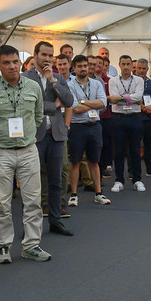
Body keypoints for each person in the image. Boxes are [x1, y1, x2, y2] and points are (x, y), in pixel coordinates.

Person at [0, 45, 49, 263]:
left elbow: (38, 116)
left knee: (33, 201)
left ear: (20, 62)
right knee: (2, 203)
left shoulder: (33, 87)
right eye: (6, 63)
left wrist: (27, 135)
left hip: (28, 150)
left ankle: (31, 245)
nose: (12, 66)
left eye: (15, 61)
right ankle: (3, 246)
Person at [23, 41, 74, 236]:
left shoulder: (58, 77)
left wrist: (52, 80)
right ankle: (30, 225)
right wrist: (54, 105)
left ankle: (55, 220)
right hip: (35, 136)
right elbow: (28, 105)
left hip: (56, 135)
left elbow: (69, 101)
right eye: (44, 55)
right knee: (32, 183)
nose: (47, 59)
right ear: (35, 55)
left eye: (50, 56)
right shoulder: (25, 78)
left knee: (56, 181)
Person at [65, 55, 110, 206]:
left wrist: (83, 101)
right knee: (75, 162)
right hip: (77, 127)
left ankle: (98, 193)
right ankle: (73, 195)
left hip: (94, 125)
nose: (83, 68)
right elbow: (75, 108)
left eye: (85, 65)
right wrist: (92, 104)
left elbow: (103, 103)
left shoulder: (97, 83)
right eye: (80, 66)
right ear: (74, 68)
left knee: (94, 161)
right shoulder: (70, 85)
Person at [108, 55, 147, 192]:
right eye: (123, 64)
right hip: (118, 117)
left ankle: (137, 179)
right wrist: (130, 98)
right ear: (119, 65)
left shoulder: (138, 80)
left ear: (132, 65)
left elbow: (139, 97)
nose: (125, 67)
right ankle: (119, 180)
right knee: (118, 151)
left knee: (135, 150)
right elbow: (113, 99)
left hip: (134, 117)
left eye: (128, 64)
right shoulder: (113, 81)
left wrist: (121, 97)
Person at [135, 58, 151, 176]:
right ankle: (133, 170)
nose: (141, 71)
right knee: (134, 146)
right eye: (139, 68)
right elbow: (129, 98)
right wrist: (144, 108)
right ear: (136, 68)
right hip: (136, 118)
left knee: (150, 145)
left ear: (147, 69)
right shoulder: (132, 82)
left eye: (144, 68)